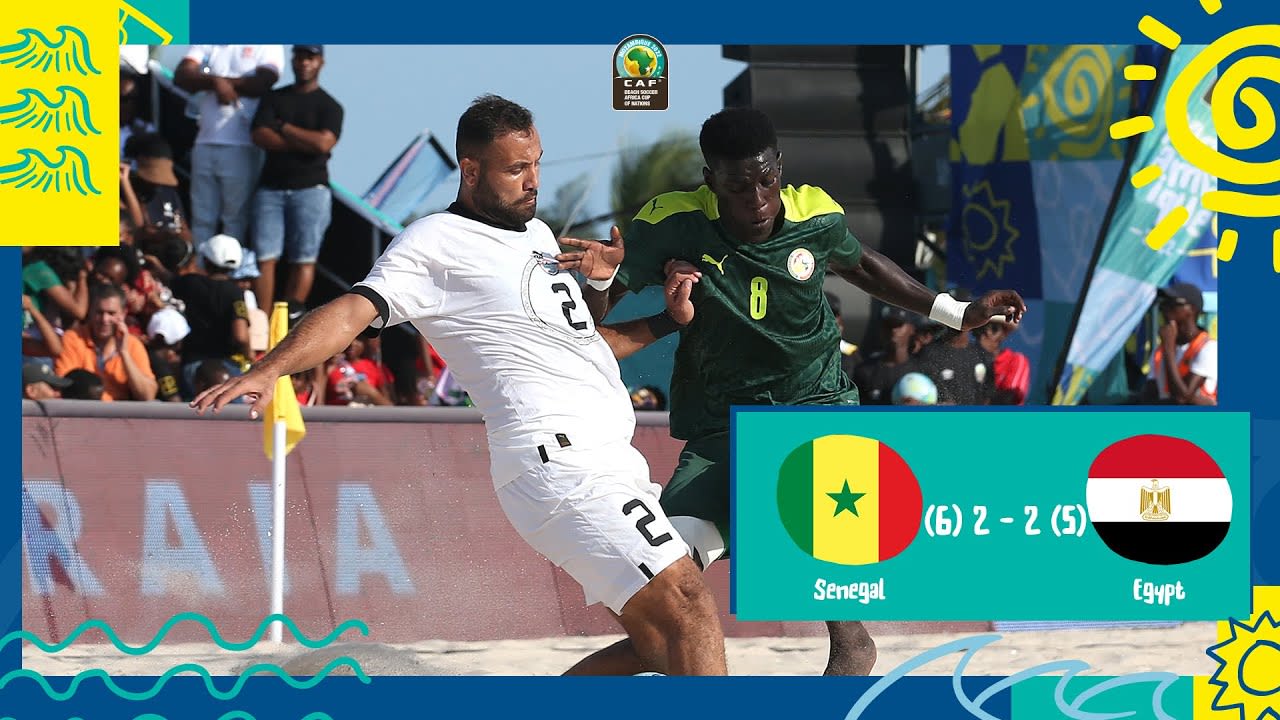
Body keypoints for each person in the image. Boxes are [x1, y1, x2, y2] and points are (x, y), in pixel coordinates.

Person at [192, 95, 728, 676]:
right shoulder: (433, 242)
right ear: (470, 170)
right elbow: (352, 310)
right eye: (516, 169)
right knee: (688, 606)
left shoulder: (540, 236)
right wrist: (271, 367)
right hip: (559, 465)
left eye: (538, 163)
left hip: (609, 462)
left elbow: (584, 348)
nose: (534, 181)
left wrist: (648, 311)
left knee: (661, 640)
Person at [560, 106, 1025, 676]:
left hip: (814, 405)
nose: (756, 197)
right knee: (664, 569)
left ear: (779, 166)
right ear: (710, 181)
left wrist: (956, 313)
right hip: (722, 424)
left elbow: (866, 268)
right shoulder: (670, 222)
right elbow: (590, 325)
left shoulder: (815, 212)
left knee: (806, 524)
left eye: (765, 179)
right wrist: (603, 279)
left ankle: (849, 643)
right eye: (737, 185)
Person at [250, 45, 344, 306]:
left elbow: (324, 144)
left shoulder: (331, 106)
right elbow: (259, 135)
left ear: (320, 62)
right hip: (270, 188)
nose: (304, 63)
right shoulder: (273, 98)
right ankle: (262, 326)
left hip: (311, 190)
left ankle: (288, 325)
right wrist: (305, 142)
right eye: (300, 56)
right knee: (264, 256)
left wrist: (283, 127)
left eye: (310, 57)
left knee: (304, 258)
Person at [174, 44, 285, 245]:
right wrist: (216, 82)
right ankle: (200, 269)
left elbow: (263, 81)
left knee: (234, 219)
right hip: (205, 141)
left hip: (241, 145)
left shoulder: (269, 44)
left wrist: (220, 83)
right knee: (202, 217)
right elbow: (182, 75)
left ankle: (227, 272)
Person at [1142, 282, 1216, 405]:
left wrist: (1169, 350)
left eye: (1171, 305)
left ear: (1191, 309)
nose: (1164, 309)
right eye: (1162, 304)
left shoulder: (1208, 348)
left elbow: (1182, 397)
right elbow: (1148, 398)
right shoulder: (1161, 350)